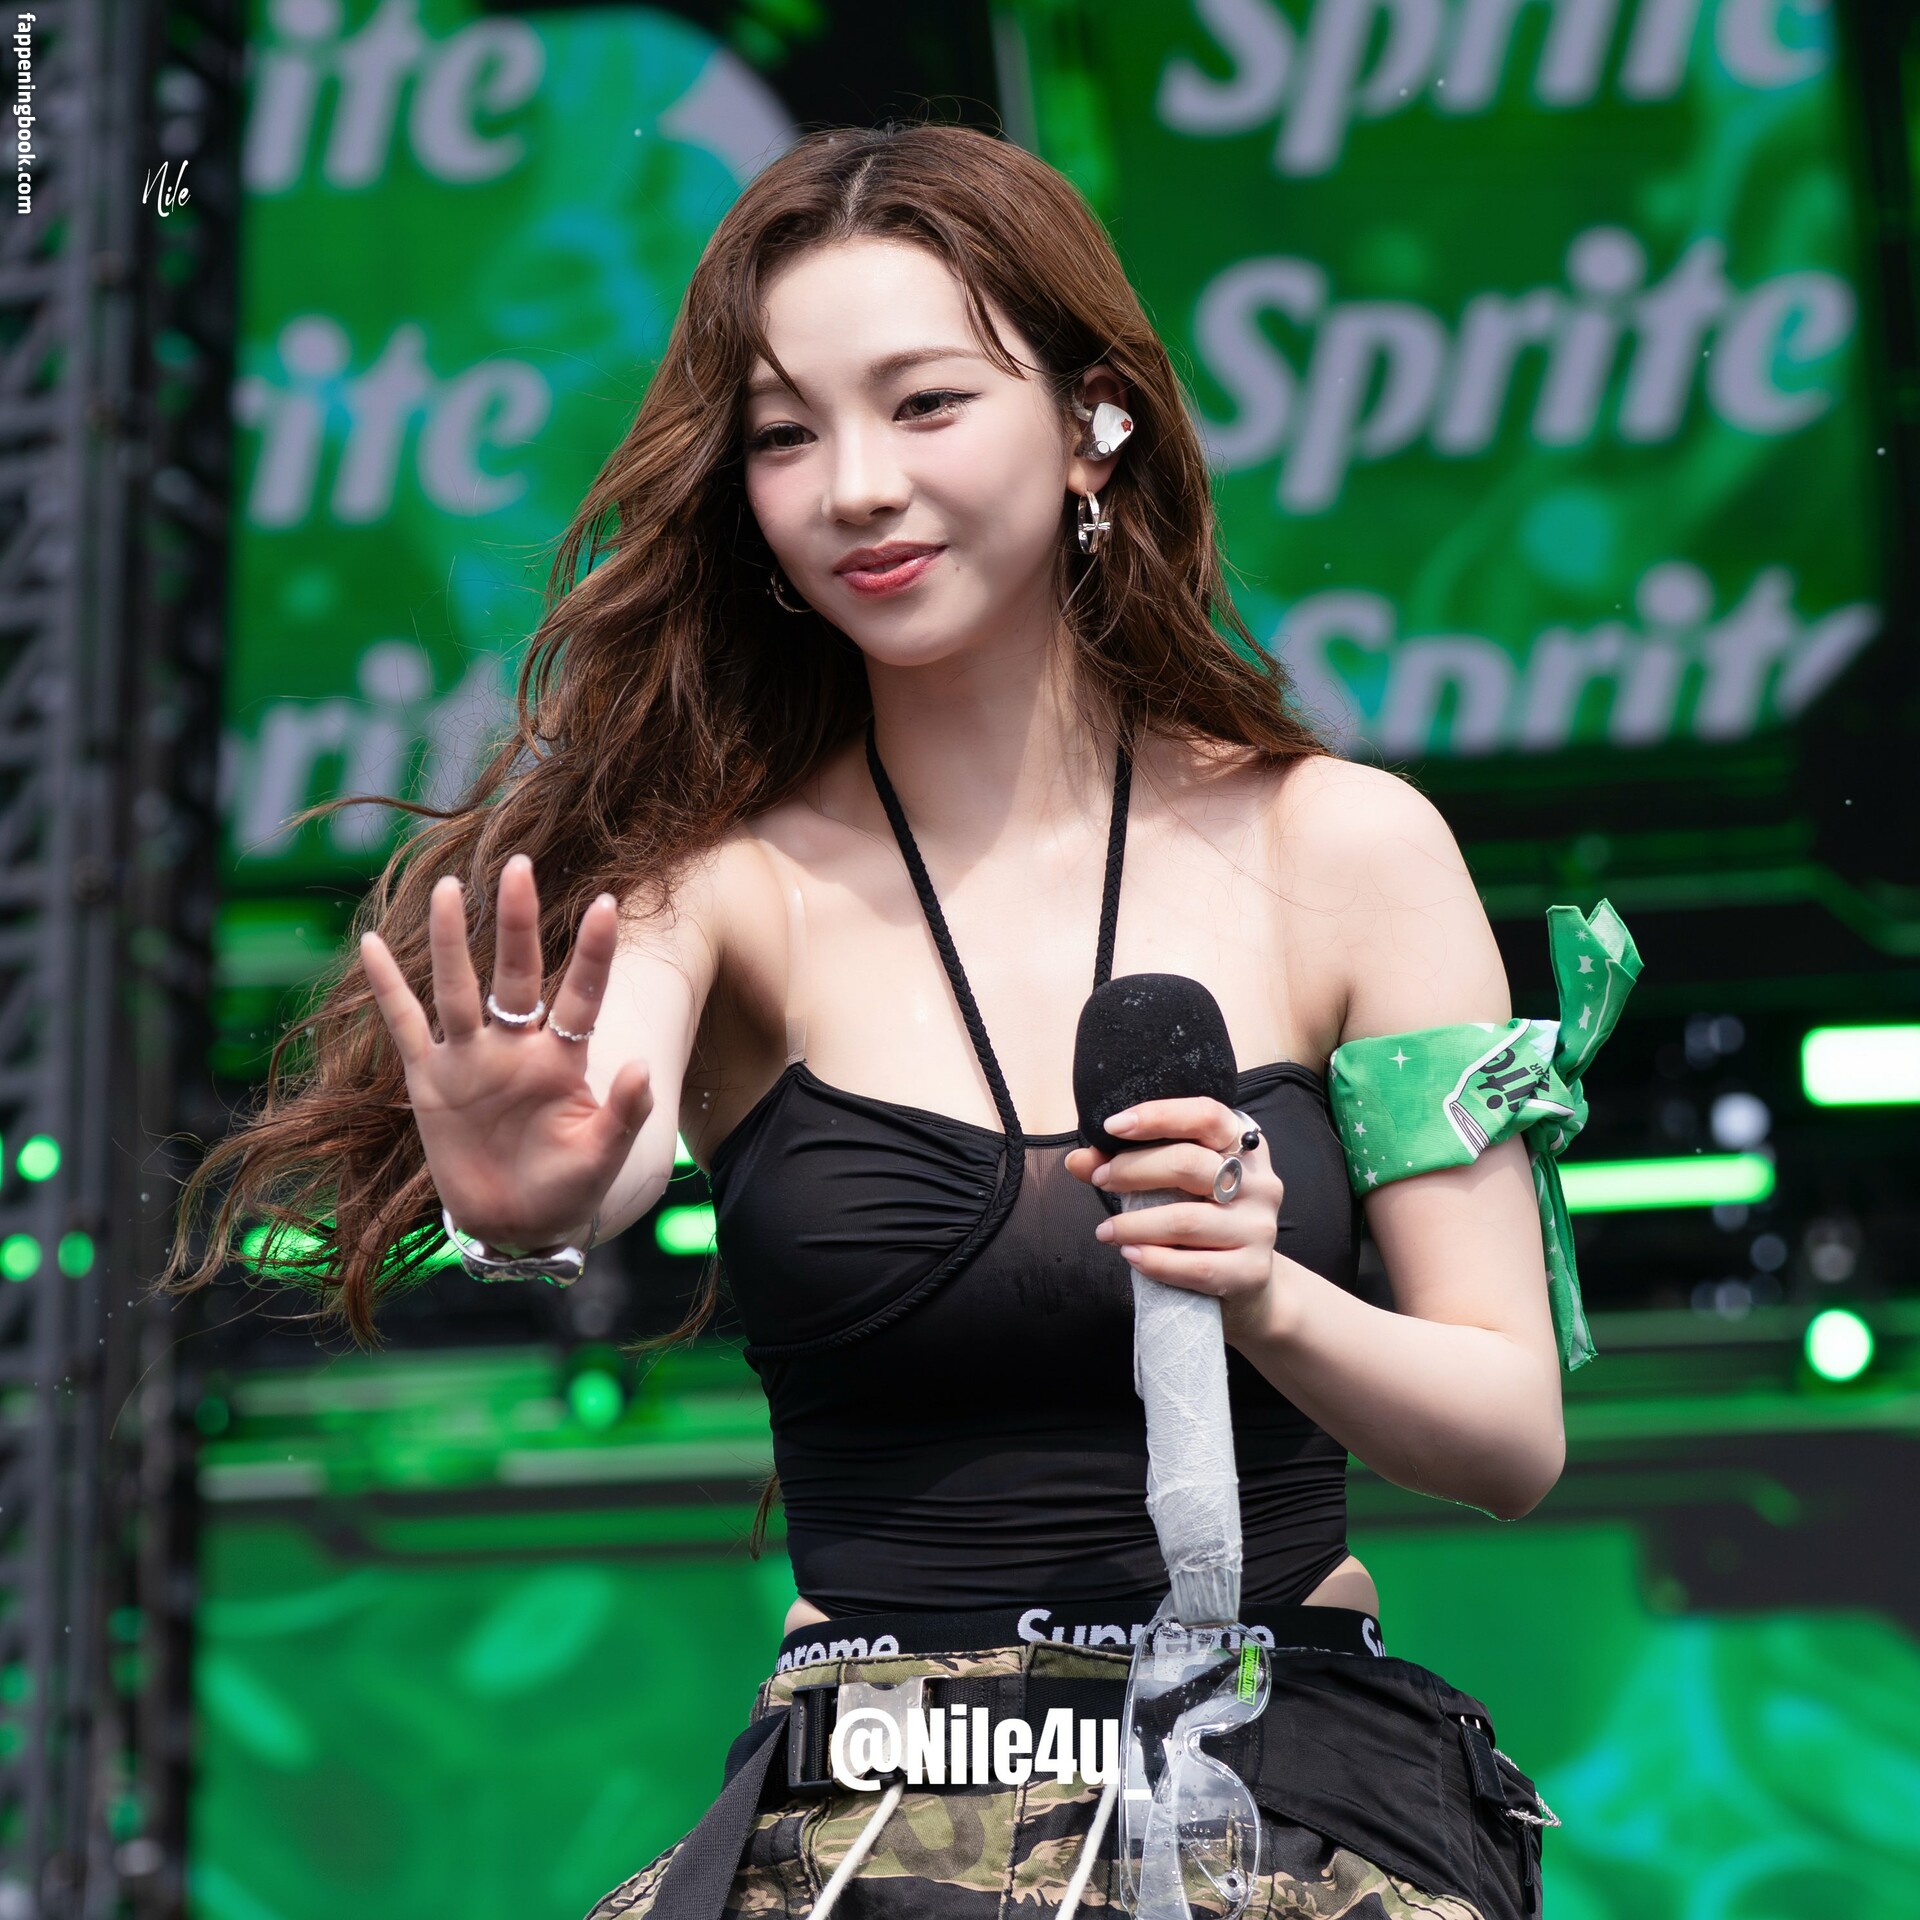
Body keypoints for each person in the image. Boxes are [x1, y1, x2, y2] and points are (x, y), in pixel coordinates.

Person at [170, 122, 1566, 1920]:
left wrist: (1268, 1293)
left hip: (1275, 1783)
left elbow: (1508, 1437)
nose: (854, 486)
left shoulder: (1349, 849)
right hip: (879, 1806)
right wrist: (532, 1195)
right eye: (783, 435)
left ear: (1093, 421)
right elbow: (598, 1123)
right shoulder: (716, 884)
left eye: (925, 405)